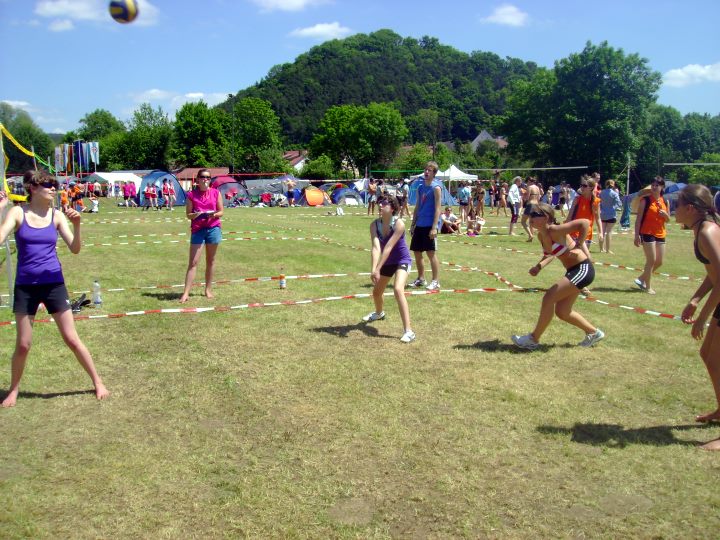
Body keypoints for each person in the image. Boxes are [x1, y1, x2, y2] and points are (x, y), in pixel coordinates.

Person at [0, 171, 109, 407]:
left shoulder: (57, 215)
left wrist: (77, 225)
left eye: (54, 185)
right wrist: (0, 210)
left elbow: (75, 249)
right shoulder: (18, 212)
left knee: (72, 339)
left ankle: (98, 382)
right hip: (26, 287)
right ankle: (13, 390)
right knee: (23, 344)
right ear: (32, 188)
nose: (53, 188)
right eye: (47, 185)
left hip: (54, 284)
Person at [511, 203, 605, 350]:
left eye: (535, 214)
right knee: (563, 311)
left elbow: (585, 223)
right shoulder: (542, 235)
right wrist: (538, 267)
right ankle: (593, 332)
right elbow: (550, 254)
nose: (531, 217)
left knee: (549, 297)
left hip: (583, 269)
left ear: (546, 217)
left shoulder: (555, 229)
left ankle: (533, 339)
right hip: (573, 271)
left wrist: (579, 245)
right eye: (530, 214)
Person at [676, 185, 720, 450]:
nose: (674, 209)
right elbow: (713, 273)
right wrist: (695, 299)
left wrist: (703, 317)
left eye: (678, 204)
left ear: (690, 208)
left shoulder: (707, 232)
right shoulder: (702, 229)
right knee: (710, 355)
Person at [362, 195, 415, 343]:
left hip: (402, 260)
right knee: (376, 292)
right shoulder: (374, 225)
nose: (380, 205)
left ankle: (409, 331)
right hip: (388, 262)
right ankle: (379, 313)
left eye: (384, 203)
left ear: (392, 208)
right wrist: (374, 269)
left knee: (398, 289)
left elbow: (388, 247)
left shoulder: (399, 224)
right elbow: (376, 247)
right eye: (380, 203)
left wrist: (378, 268)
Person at [179, 169, 224, 303]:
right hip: (198, 229)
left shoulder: (216, 193)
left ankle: (208, 290)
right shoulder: (191, 194)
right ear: (198, 179)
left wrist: (213, 214)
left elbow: (221, 211)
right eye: (203, 177)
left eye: (208, 177)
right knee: (193, 262)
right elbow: (188, 215)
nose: (206, 179)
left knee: (210, 261)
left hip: (213, 228)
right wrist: (196, 215)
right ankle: (186, 293)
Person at [409, 162, 442, 291]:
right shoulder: (420, 187)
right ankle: (421, 279)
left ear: (434, 173)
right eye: (426, 170)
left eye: (430, 170)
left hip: (429, 225)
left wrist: (434, 227)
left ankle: (435, 281)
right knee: (417, 252)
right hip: (419, 224)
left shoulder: (436, 188)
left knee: (430, 253)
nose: (426, 172)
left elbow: (438, 209)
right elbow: (417, 206)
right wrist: (413, 224)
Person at [634, 177, 669, 295]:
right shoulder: (645, 200)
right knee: (651, 260)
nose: (654, 187)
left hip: (661, 233)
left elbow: (668, 220)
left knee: (659, 261)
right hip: (647, 232)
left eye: (657, 185)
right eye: (653, 185)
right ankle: (647, 287)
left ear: (662, 187)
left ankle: (641, 278)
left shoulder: (665, 201)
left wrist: (665, 215)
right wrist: (636, 235)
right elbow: (638, 220)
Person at [599, 179, 622, 253]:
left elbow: (599, 202)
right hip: (611, 214)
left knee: (602, 232)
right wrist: (614, 208)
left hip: (602, 214)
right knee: (609, 232)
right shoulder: (615, 193)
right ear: (613, 185)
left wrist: (602, 209)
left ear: (606, 184)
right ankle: (608, 250)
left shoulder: (601, 192)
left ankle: (601, 249)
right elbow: (619, 204)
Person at [521, 177, 542, 242]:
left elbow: (527, 198)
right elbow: (539, 198)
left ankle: (530, 235)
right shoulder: (537, 187)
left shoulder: (529, 187)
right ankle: (531, 236)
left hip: (530, 204)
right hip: (536, 204)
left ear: (529, 181)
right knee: (531, 222)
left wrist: (523, 195)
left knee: (523, 221)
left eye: (527, 182)